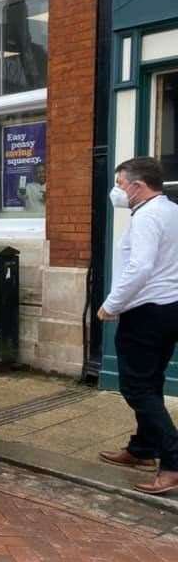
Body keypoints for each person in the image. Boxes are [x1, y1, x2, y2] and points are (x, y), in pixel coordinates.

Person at [97, 156, 178, 495]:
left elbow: (140, 267)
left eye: (120, 184)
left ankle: (173, 462)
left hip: (144, 312)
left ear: (138, 185)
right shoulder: (171, 211)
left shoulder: (147, 217)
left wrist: (111, 304)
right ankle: (143, 448)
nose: (117, 191)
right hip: (169, 309)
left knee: (136, 388)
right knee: (152, 382)